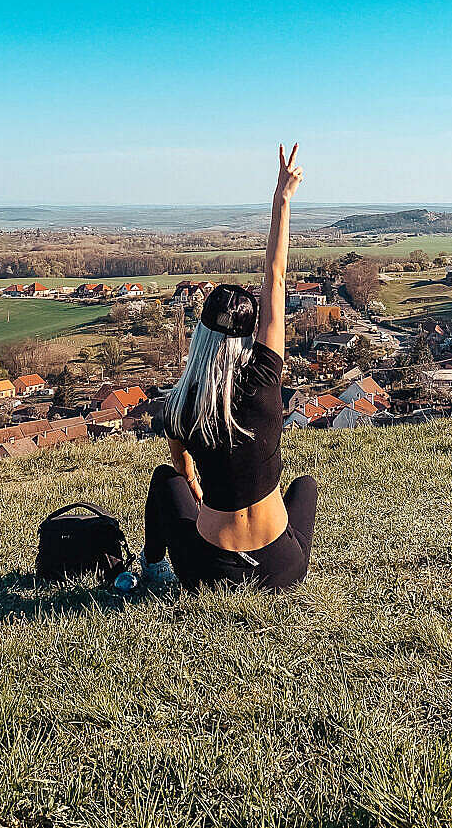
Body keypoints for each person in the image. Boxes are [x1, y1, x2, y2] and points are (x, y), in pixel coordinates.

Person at [133, 143, 318, 593]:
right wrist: (282, 198)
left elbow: (184, 473)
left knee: (164, 480)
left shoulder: (181, 405)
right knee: (306, 486)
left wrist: (200, 490)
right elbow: (275, 278)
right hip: (282, 569)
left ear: (200, 336)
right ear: (249, 334)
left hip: (207, 572)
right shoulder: (265, 377)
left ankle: (154, 567)